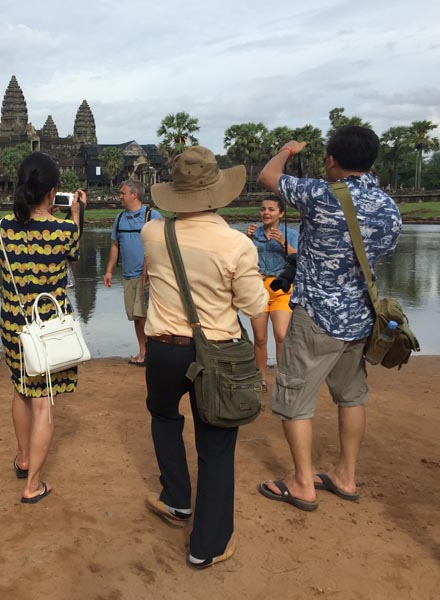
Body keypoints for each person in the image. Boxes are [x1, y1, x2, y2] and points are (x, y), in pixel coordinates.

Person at [256, 126, 401, 511]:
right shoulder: (389, 208)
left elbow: (268, 176)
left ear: (332, 160)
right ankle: (345, 476)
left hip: (317, 315)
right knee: (351, 397)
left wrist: (287, 150)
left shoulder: (319, 194)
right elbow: (377, 260)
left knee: (293, 397)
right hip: (360, 317)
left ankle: (302, 482)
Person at [142, 146, 267, 569]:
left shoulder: (153, 233)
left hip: (163, 349)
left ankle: (177, 498)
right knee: (215, 446)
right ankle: (207, 546)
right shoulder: (236, 244)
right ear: (217, 193)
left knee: (164, 417)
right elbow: (254, 306)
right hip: (218, 353)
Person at [0, 152, 86, 504]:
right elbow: (73, 259)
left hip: (14, 323)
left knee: (21, 390)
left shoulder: (0, 228)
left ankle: (23, 458)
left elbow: (5, 263)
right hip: (50, 326)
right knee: (44, 402)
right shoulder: (65, 231)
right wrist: (75, 214)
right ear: (52, 192)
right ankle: (32, 484)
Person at [104, 179, 161, 366]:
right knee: (136, 317)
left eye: (123, 193)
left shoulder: (152, 216)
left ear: (134, 195)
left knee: (144, 315)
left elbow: (161, 246)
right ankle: (143, 351)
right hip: (128, 276)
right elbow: (115, 245)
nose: (120, 196)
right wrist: (109, 271)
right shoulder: (120, 218)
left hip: (148, 276)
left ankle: (151, 353)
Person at [246, 196, 298, 391]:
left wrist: (283, 243)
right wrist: (247, 240)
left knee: (281, 335)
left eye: (271, 209)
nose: (266, 213)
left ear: (281, 213)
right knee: (260, 338)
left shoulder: (290, 234)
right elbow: (243, 258)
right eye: (263, 209)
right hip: (258, 288)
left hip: (282, 288)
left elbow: (298, 259)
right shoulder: (255, 233)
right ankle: (260, 378)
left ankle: (282, 379)